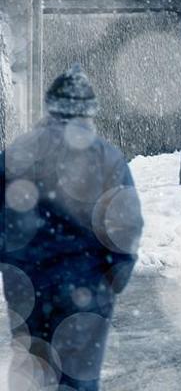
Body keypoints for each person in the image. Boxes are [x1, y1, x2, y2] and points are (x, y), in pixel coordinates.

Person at [0, 65, 143, 390]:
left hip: (28, 284)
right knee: (78, 375)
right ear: (88, 112)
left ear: (51, 106)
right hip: (87, 285)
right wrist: (114, 276)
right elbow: (127, 224)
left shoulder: (18, 153)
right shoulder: (107, 158)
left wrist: (11, 263)